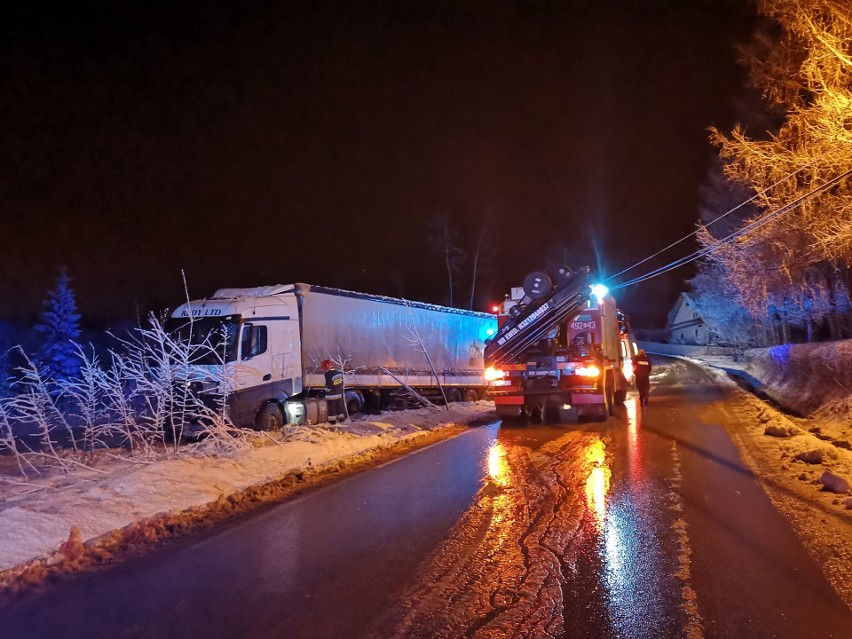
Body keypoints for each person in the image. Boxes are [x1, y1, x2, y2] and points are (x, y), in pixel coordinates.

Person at [322, 359, 345, 423]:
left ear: (326, 366)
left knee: (332, 408)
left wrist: (324, 391)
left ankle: (332, 421)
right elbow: (341, 383)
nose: (323, 368)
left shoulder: (328, 374)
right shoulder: (338, 372)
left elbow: (329, 386)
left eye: (324, 367)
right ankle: (341, 419)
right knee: (339, 407)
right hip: (339, 394)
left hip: (332, 395)